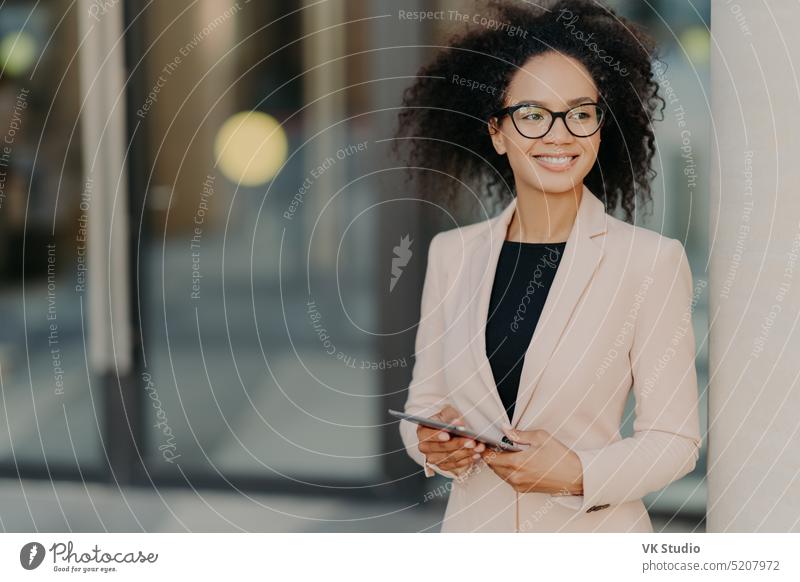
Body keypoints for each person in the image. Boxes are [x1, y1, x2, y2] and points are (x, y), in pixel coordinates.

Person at [394, 0, 701, 532]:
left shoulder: (651, 262)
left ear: (600, 129)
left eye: (579, 113)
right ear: (497, 131)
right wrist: (431, 447)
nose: (559, 135)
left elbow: (676, 442)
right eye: (532, 115)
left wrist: (579, 471)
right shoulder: (453, 253)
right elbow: (425, 402)